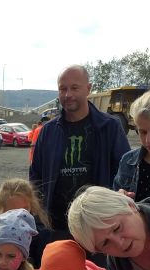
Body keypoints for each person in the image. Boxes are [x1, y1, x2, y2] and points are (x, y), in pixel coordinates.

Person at [29, 65, 130, 241]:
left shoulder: (109, 127)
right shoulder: (48, 132)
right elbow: (35, 177)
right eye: (63, 89)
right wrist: (39, 218)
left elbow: (125, 172)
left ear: (88, 89)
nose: (68, 94)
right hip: (56, 228)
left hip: (99, 227)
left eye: (74, 88)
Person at [0, 178, 51, 267]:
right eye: (13, 211)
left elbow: (42, 257)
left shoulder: (38, 229)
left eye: (24, 209)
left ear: (31, 204)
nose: (20, 214)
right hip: (2, 266)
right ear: (3, 210)